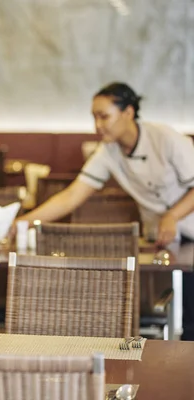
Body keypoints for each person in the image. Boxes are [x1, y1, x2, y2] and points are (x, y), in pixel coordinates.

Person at [16, 82, 194, 340]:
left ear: (128, 112)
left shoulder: (165, 137)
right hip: (165, 238)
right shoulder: (108, 151)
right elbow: (72, 195)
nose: (97, 125)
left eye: (104, 116)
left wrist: (172, 215)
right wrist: (24, 221)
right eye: (94, 117)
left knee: (192, 314)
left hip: (188, 225)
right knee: (184, 307)